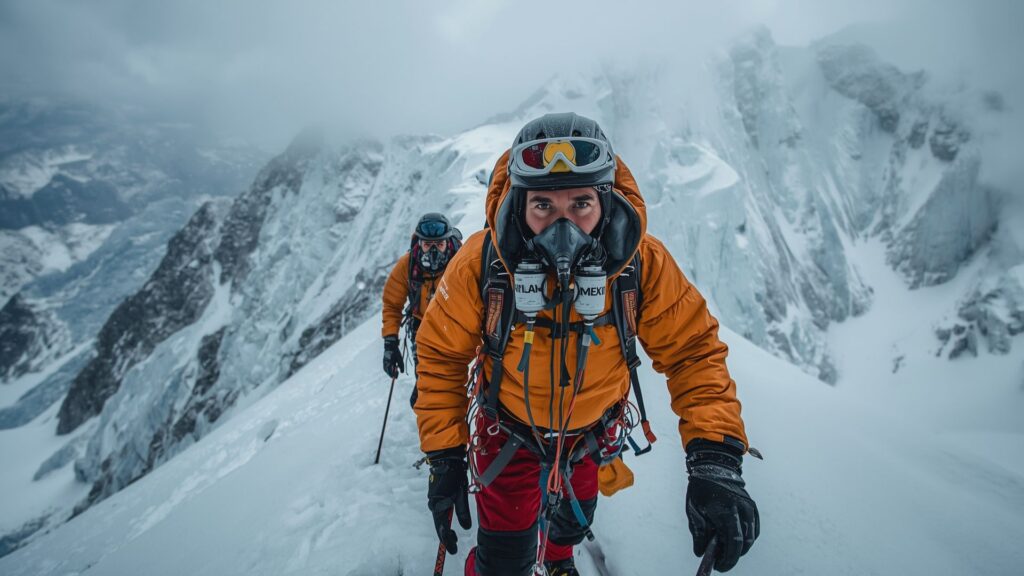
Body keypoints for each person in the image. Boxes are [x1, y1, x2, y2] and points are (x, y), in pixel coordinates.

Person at [414, 113, 759, 575]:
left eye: (580, 204)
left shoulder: (641, 265)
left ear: (606, 201)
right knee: (503, 559)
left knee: (572, 523)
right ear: (518, 204)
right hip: (507, 431)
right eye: (542, 207)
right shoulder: (482, 264)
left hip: (591, 435)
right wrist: (445, 454)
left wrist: (715, 457)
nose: (563, 226)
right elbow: (440, 356)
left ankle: (559, 560)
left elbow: (692, 352)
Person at [381, 212, 461, 407]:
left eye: (439, 245)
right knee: (425, 372)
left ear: (447, 242)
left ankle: (442, 407)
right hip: (422, 325)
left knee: (452, 374)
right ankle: (427, 403)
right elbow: (392, 303)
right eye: (427, 245)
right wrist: (390, 343)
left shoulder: (461, 262)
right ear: (419, 243)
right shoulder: (407, 266)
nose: (433, 251)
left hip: (457, 323)